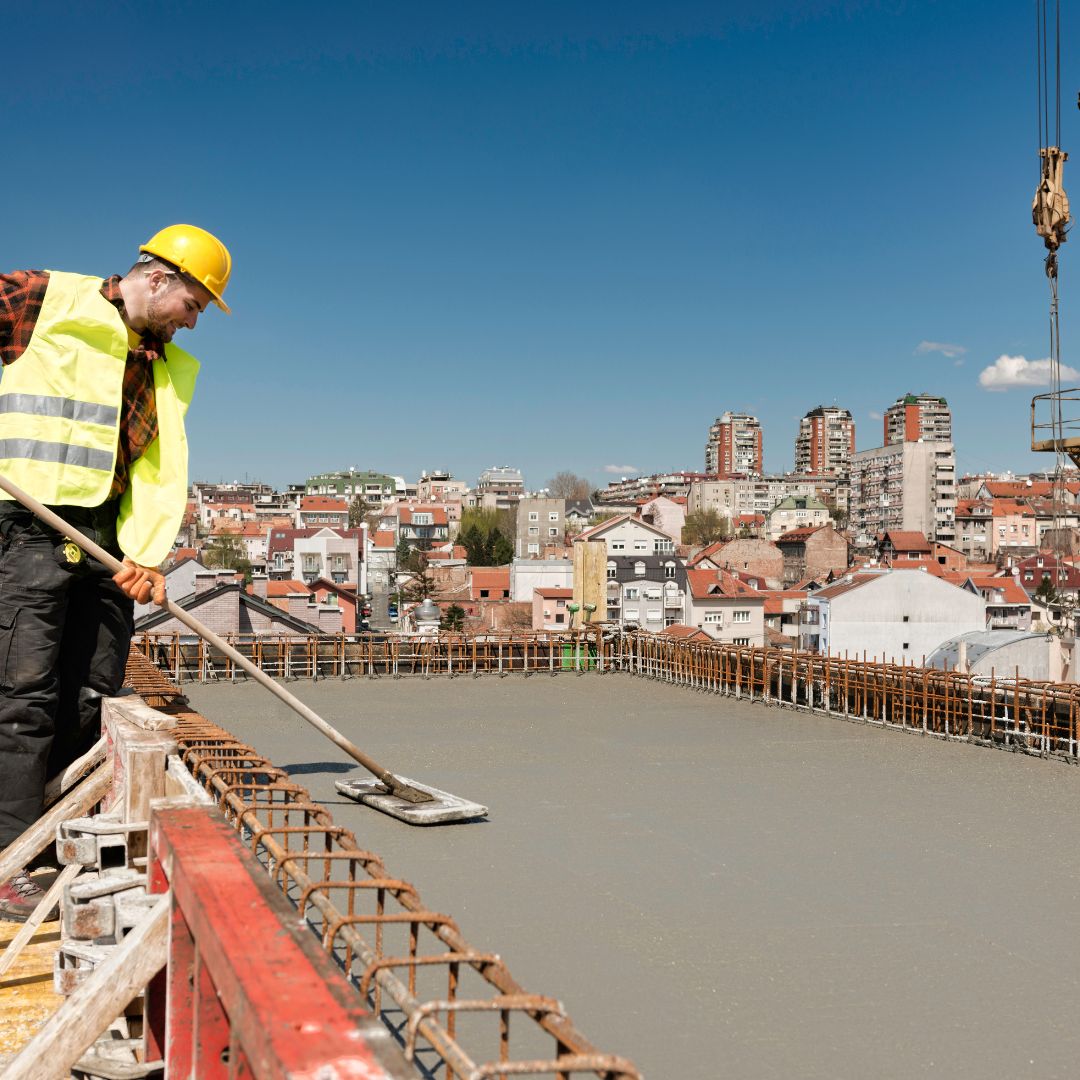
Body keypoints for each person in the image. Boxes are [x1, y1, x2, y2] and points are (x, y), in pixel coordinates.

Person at [0, 225, 231, 920]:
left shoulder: (165, 366)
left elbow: (158, 472)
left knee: (93, 695)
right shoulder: (39, 299)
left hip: (107, 541)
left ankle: (53, 843)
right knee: (23, 699)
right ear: (156, 278)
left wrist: (148, 555)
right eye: (194, 302)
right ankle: (10, 863)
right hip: (28, 524)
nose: (196, 320)